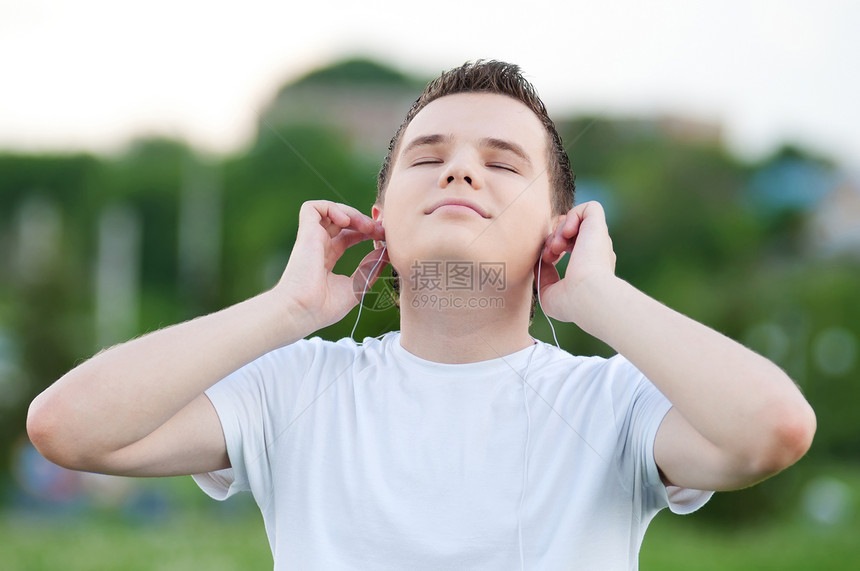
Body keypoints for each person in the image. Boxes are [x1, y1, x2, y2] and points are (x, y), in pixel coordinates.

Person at [27, 61, 816, 569]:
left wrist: (601, 300)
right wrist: (286, 308)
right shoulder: (294, 387)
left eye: (502, 162)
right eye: (429, 157)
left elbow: (773, 427)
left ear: (559, 226)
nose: (462, 169)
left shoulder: (609, 403)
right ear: (380, 217)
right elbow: (69, 427)